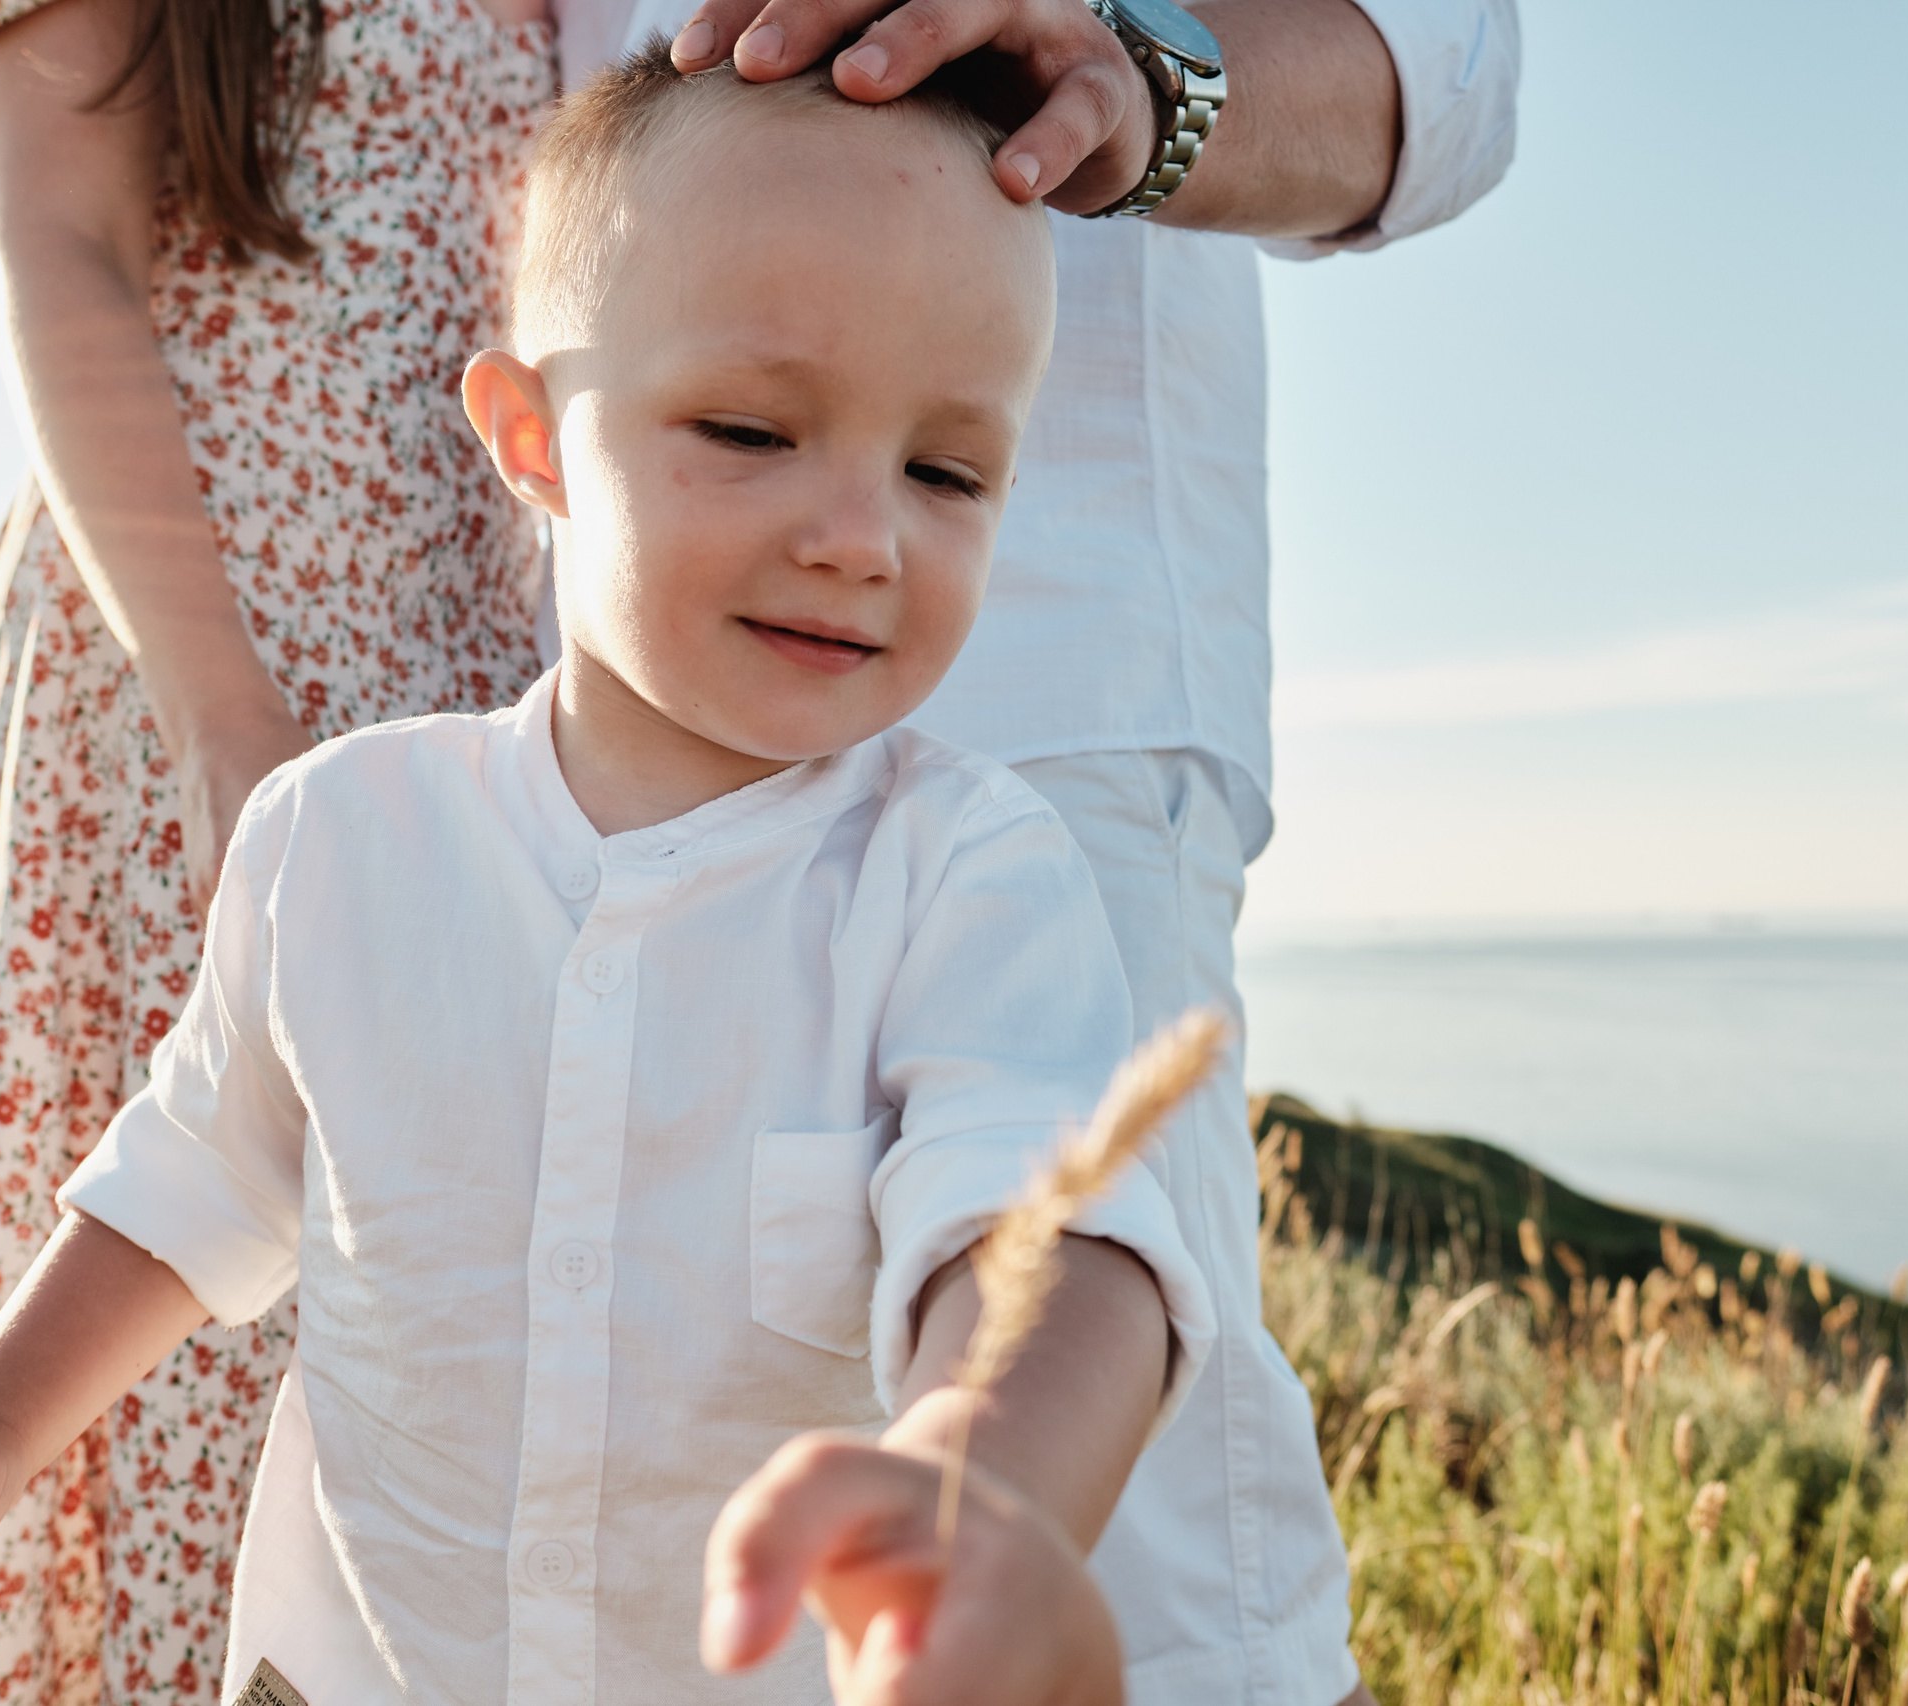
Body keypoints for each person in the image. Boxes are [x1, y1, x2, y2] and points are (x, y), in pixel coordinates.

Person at [0, 52, 1220, 1706]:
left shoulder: (966, 880)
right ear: (533, 439)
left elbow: (1055, 1242)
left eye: (948, 471)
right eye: (753, 429)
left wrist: (986, 1489)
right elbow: (190, 1181)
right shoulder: (343, 837)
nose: (862, 535)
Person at [568, 0, 1517, 1701]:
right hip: (617, 690)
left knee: (1146, 1574)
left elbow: (1444, 72)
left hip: (1041, 676)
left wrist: (1132, 66)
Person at [0, 0, 556, 1697]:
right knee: (182, 1300)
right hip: (208, 654)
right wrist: (222, 716)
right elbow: (60, 238)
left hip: (469, 651)